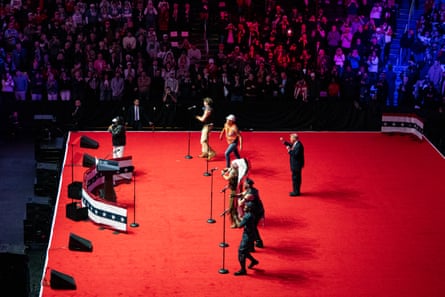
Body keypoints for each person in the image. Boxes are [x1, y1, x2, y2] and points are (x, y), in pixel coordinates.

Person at [237, 178, 264, 248]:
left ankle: (258, 241)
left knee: (253, 227)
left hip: (256, 212)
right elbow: (242, 194)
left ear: (248, 185)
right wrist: (235, 195)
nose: (244, 184)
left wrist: (237, 199)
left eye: (245, 183)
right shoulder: (251, 190)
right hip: (256, 210)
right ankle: (256, 242)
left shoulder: (250, 194)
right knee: (253, 227)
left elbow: (240, 203)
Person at [234, 201, 259, 276]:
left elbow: (239, 226)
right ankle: (253, 261)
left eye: (246, 207)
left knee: (241, 252)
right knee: (244, 251)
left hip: (247, 236)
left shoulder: (247, 216)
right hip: (251, 235)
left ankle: (243, 270)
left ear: (249, 208)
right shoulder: (251, 215)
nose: (244, 207)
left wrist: (236, 217)